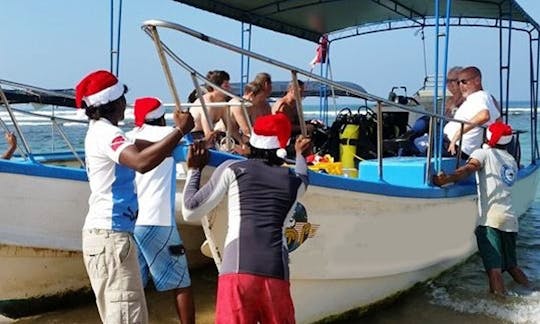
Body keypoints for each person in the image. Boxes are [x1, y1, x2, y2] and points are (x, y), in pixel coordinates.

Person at [76, 70, 194, 324]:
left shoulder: (97, 131)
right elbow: (141, 162)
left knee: (128, 313)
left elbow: (140, 148)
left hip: (113, 234)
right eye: (122, 100)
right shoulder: (107, 133)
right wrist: (180, 131)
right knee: (127, 317)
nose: (125, 106)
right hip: (111, 236)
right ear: (114, 102)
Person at [182, 113, 311, 323]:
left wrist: (195, 169)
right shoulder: (295, 182)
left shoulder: (232, 169)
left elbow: (190, 210)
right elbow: (303, 175)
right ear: (283, 145)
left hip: (237, 272)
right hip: (275, 272)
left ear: (252, 142)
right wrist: (300, 155)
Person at [433, 122, 529, 295]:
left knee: (494, 270)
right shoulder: (511, 160)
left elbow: (468, 169)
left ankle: (500, 309)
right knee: (512, 266)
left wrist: (446, 179)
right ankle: (533, 294)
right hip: (510, 219)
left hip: (490, 220)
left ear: (489, 137)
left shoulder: (483, 153)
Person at [127, 97, 195, 324]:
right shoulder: (169, 137)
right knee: (181, 283)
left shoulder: (129, 138)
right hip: (159, 221)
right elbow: (192, 152)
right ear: (161, 117)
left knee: (136, 284)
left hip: (132, 221)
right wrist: (182, 128)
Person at [443, 66, 501, 158]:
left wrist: (456, 136)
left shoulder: (479, 96)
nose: (461, 86)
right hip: (455, 144)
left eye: (464, 82)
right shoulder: (483, 98)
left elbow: (484, 116)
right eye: (459, 82)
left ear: (477, 80)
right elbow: (498, 121)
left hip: (454, 145)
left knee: (415, 143)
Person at [226, 82, 267, 154]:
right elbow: (246, 129)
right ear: (251, 95)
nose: (261, 100)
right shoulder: (237, 104)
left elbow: (255, 126)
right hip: (227, 137)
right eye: (260, 97)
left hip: (238, 137)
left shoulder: (251, 106)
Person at [190, 70, 231, 141]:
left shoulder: (222, 103)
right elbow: (207, 133)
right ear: (216, 87)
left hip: (207, 136)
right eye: (226, 85)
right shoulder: (207, 103)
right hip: (194, 136)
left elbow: (230, 128)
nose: (229, 88)